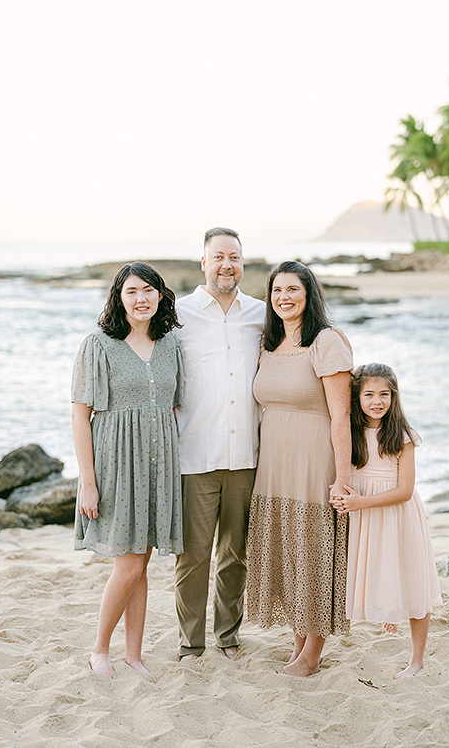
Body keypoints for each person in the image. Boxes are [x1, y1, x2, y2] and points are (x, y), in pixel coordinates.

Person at [73, 262, 184, 678]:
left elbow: (174, 407)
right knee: (130, 565)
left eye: (149, 290)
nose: (142, 299)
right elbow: (79, 415)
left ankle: (133, 654)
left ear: (160, 295)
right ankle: (99, 649)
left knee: (142, 564)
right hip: (117, 465)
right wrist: (88, 483)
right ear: (119, 298)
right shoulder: (98, 344)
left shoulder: (171, 344)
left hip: (159, 465)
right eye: (132, 291)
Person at [246, 261, 353, 677]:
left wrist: (343, 477)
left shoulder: (327, 342)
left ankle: (312, 653)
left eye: (293, 289)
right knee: (289, 552)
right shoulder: (267, 344)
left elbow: (342, 416)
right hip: (273, 464)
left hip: (314, 461)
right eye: (276, 291)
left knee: (313, 550)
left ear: (309, 294)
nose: (283, 297)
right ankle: (297, 644)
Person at [173, 227, 265, 662]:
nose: (227, 264)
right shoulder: (177, 314)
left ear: (242, 263)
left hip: (247, 454)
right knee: (193, 557)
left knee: (236, 555)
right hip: (195, 453)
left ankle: (228, 636)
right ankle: (191, 643)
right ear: (204, 262)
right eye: (219, 257)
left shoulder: (261, 315)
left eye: (235, 257)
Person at [331, 363, 442, 679]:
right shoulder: (348, 431)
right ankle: (386, 611)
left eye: (384, 394)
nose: (376, 401)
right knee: (374, 572)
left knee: (411, 581)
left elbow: (405, 491)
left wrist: (359, 502)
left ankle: (416, 660)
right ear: (358, 397)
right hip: (362, 515)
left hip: (395, 515)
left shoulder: (403, 436)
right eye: (368, 394)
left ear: (394, 397)